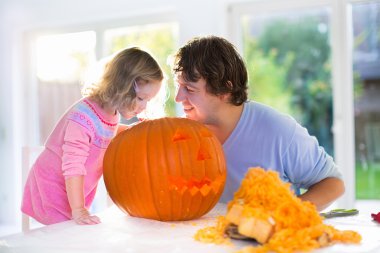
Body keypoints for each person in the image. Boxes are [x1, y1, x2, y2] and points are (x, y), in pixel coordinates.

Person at [172, 35, 344, 211]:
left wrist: (287, 213)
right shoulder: (183, 135)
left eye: (189, 89)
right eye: (178, 86)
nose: (178, 98)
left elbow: (333, 183)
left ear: (224, 89)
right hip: (207, 236)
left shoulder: (277, 130)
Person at [22, 47, 164, 225]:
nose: (144, 106)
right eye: (142, 98)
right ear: (123, 88)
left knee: (76, 233)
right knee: (65, 238)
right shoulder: (82, 117)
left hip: (73, 190)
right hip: (53, 188)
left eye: (148, 100)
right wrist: (79, 209)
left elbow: (105, 132)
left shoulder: (111, 112)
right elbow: (73, 164)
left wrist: (133, 129)